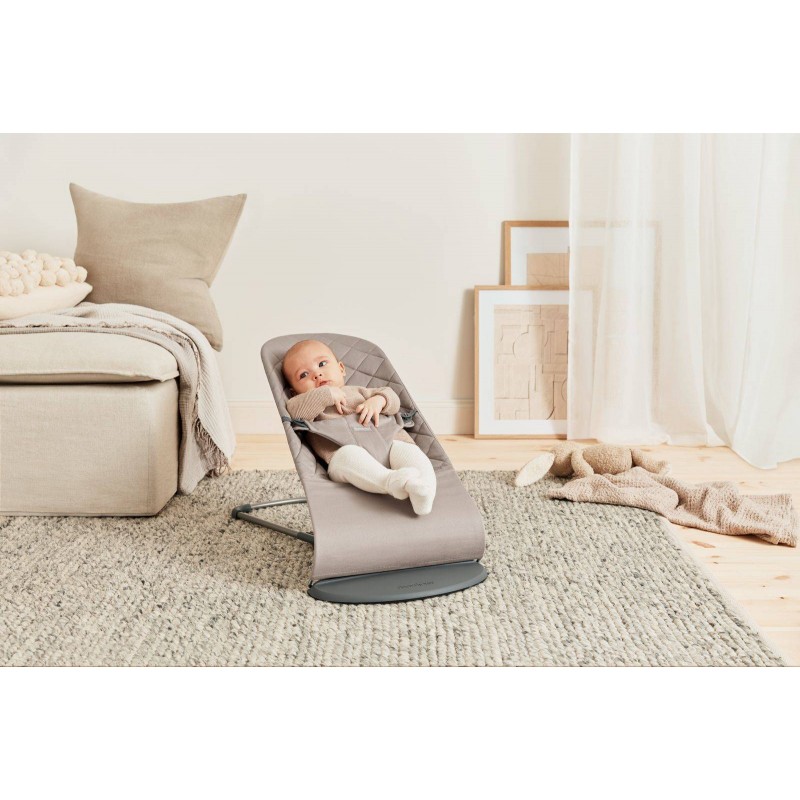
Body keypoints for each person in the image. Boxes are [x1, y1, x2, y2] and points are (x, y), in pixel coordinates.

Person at [283, 340, 436, 515]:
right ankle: (390, 481)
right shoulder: (307, 404)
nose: (317, 374)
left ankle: (424, 490)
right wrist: (325, 395)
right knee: (347, 457)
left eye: (322, 364)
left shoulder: (360, 392)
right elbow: (295, 412)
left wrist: (379, 401)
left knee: (411, 453)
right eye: (303, 375)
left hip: (389, 442)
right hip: (344, 453)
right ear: (294, 392)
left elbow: (393, 399)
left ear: (341, 368)